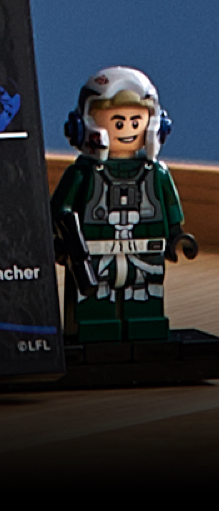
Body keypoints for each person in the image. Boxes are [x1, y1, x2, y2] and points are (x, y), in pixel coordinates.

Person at [51, 66, 197, 342]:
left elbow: (170, 208)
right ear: (85, 126)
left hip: (145, 251)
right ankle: (94, 333)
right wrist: (66, 239)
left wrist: (176, 234)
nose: (128, 129)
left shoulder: (156, 173)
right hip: (95, 254)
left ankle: (146, 331)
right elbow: (59, 210)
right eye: (118, 123)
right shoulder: (82, 174)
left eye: (135, 121)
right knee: (94, 299)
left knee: (145, 295)